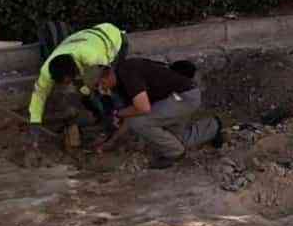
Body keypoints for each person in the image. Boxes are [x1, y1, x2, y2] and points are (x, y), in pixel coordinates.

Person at [85, 58, 222, 168]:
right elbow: (133, 113)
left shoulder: (127, 73)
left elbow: (143, 109)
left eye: (99, 85)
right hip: (174, 99)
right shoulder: (120, 83)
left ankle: (174, 154)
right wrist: (111, 142)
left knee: (140, 124)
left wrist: (118, 114)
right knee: (175, 140)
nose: (102, 89)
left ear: (105, 78)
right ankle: (213, 126)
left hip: (182, 97)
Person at [28, 23, 127, 145]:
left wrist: (91, 91)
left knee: (107, 88)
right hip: (86, 39)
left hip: (114, 39)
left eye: (68, 81)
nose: (67, 84)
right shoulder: (47, 70)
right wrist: (35, 122)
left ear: (74, 71)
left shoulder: (92, 57)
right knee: (85, 92)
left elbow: (106, 80)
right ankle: (100, 117)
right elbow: (39, 94)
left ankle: (117, 120)